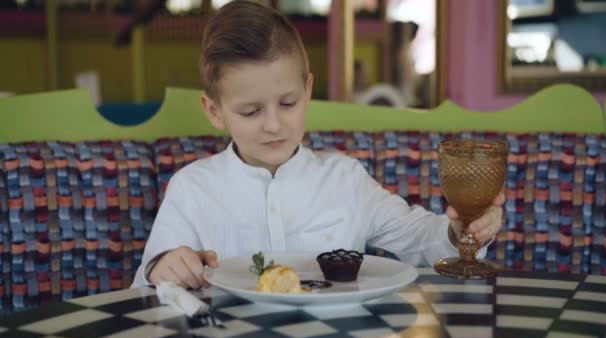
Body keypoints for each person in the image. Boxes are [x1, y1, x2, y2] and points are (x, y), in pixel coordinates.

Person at [132, 0, 504, 289]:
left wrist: (463, 232)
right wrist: (165, 269)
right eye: (250, 111)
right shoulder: (192, 189)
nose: (273, 124)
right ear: (214, 111)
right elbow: (146, 289)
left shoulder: (345, 180)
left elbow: (423, 241)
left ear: (308, 90)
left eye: (288, 103)